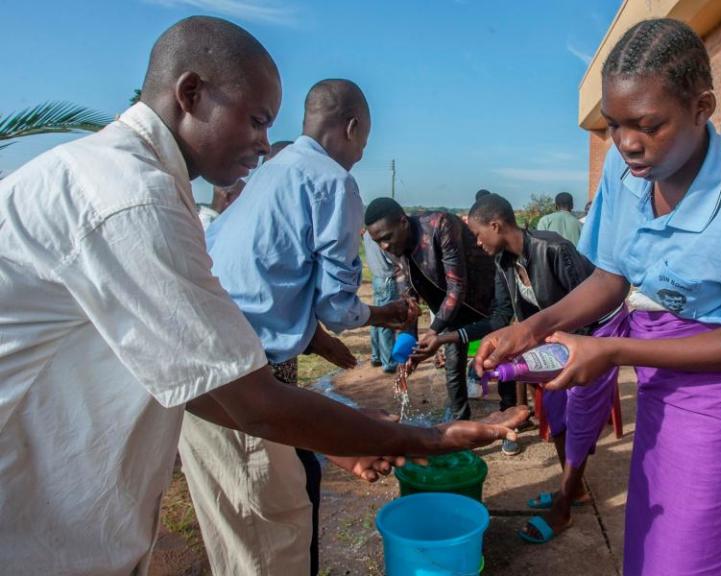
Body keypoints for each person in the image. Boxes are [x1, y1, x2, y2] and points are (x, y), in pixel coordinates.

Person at [0, 17, 526, 576]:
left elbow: (190, 376)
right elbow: (251, 394)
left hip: (112, 476)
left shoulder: (139, 181)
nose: (263, 142)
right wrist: (428, 436)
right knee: (269, 548)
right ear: (190, 93)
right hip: (39, 524)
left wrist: (335, 432)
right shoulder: (131, 201)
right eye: (254, 121)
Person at [476, 18, 721, 575]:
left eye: (648, 124)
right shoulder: (625, 178)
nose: (627, 142)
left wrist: (614, 352)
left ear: (703, 107)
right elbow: (612, 277)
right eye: (614, 124)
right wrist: (532, 328)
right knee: (652, 549)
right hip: (660, 391)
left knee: (700, 557)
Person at [178, 79, 430, 576]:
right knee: (269, 540)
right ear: (353, 127)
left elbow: (258, 283)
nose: (360, 154)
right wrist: (384, 315)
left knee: (270, 513)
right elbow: (337, 305)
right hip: (245, 380)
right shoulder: (333, 182)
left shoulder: (269, 174)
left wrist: (320, 343)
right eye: (364, 141)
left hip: (214, 373)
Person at [467, 193, 628, 542]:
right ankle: (576, 490)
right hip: (555, 342)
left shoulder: (552, 248)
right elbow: (502, 316)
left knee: (580, 417)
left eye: (479, 234)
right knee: (555, 414)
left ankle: (563, 509)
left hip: (597, 334)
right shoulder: (505, 263)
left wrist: (553, 354)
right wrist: (476, 344)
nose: (477, 243)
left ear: (496, 225)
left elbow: (592, 304)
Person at [365, 198, 497, 421]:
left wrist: (434, 330)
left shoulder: (440, 225)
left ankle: (511, 415)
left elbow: (457, 286)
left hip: (485, 302)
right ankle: (459, 422)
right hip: (450, 311)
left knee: (498, 358)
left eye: (387, 237)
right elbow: (409, 300)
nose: (384, 246)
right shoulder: (394, 248)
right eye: (378, 242)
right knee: (453, 368)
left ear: (403, 222)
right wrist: (408, 353)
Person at [365, 228, 401, 373]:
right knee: (387, 319)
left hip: (377, 277)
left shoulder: (368, 233)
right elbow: (390, 257)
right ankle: (389, 362)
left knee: (376, 318)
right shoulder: (382, 233)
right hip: (387, 278)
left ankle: (376, 357)